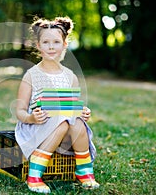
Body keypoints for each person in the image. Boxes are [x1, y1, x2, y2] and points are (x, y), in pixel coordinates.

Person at [14, 16, 100, 194]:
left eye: (56, 42)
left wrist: (83, 112)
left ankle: (84, 171)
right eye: (46, 42)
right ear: (38, 45)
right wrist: (31, 117)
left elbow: (72, 106)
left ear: (64, 44)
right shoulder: (31, 75)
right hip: (36, 128)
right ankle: (35, 175)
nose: (51, 47)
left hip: (65, 131)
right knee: (62, 121)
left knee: (75, 121)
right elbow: (20, 112)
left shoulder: (70, 77)